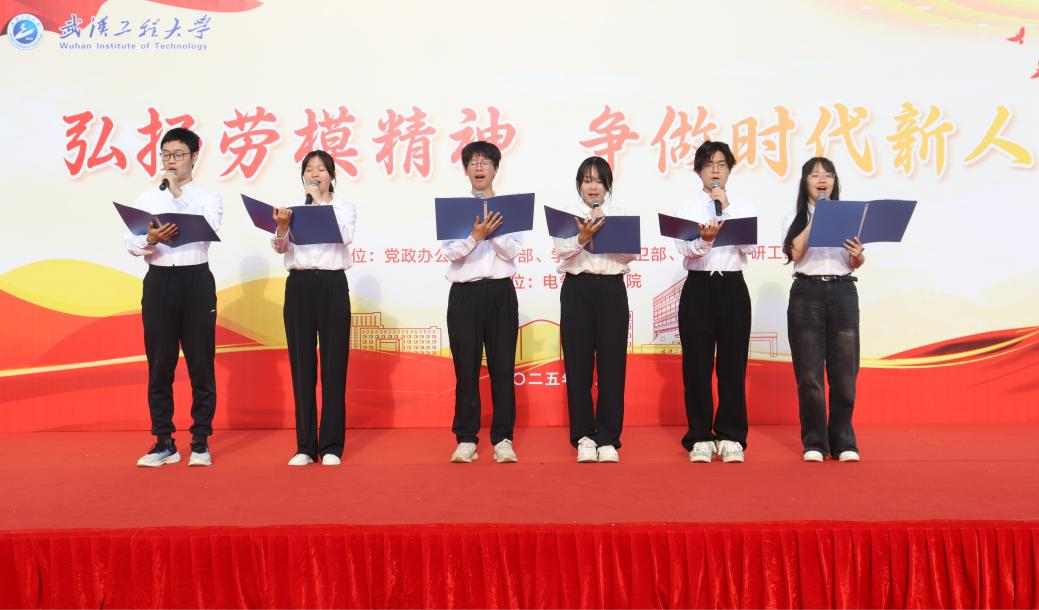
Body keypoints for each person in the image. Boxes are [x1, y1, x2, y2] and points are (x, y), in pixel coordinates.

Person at [127, 127, 223, 467]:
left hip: (196, 280)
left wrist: (178, 192)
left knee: (201, 363)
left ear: (194, 157)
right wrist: (149, 239)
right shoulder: (147, 199)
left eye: (178, 155)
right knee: (160, 364)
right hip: (159, 282)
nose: (171, 161)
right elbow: (131, 243)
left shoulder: (209, 197)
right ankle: (164, 441)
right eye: (166, 155)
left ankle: (200, 441)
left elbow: (211, 227)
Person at [673, 141, 756, 464]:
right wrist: (704, 242)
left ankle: (731, 436)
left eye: (721, 164)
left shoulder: (741, 206)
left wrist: (727, 208)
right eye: (709, 165)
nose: (715, 171)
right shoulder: (687, 207)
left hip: (733, 286)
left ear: (730, 170)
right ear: (699, 171)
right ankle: (699, 437)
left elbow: (749, 247)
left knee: (732, 366)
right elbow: (684, 250)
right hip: (698, 287)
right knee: (697, 367)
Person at [273, 150, 357, 466]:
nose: (315, 174)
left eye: (321, 169)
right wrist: (282, 227)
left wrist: (320, 202)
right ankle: (305, 446)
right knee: (302, 367)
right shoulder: (291, 210)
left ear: (332, 176)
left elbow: (345, 237)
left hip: (333, 286)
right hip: (299, 286)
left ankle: (331, 445)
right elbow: (280, 247)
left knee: (334, 367)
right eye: (309, 169)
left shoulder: (344, 208)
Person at [781, 157, 865, 462]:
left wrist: (858, 256)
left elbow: (854, 261)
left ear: (834, 182)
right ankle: (815, 442)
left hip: (843, 291)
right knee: (809, 375)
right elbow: (795, 253)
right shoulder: (794, 218)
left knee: (845, 374)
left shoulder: (851, 218)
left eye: (828, 175)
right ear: (805, 182)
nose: (821, 179)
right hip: (807, 294)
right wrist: (819, 218)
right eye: (814, 175)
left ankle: (843, 441)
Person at [442, 141, 521, 464]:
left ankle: (503, 439)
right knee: (466, 370)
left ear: (495, 169)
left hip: (501, 293)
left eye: (486, 162)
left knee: (503, 368)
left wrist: (492, 231)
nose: (479, 167)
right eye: (473, 162)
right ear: (465, 170)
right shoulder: (454, 210)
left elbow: (513, 251)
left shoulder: (509, 209)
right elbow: (450, 253)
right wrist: (474, 237)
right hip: (465, 295)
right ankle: (466, 439)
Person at [553, 156, 636, 463]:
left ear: (608, 186)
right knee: (578, 366)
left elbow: (630, 254)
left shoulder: (620, 215)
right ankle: (584, 436)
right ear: (579, 185)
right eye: (587, 180)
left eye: (599, 180)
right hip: (577, 289)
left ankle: (608, 437)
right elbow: (562, 251)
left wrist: (605, 229)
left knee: (613, 366)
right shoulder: (568, 216)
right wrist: (582, 237)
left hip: (612, 290)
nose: (593, 186)